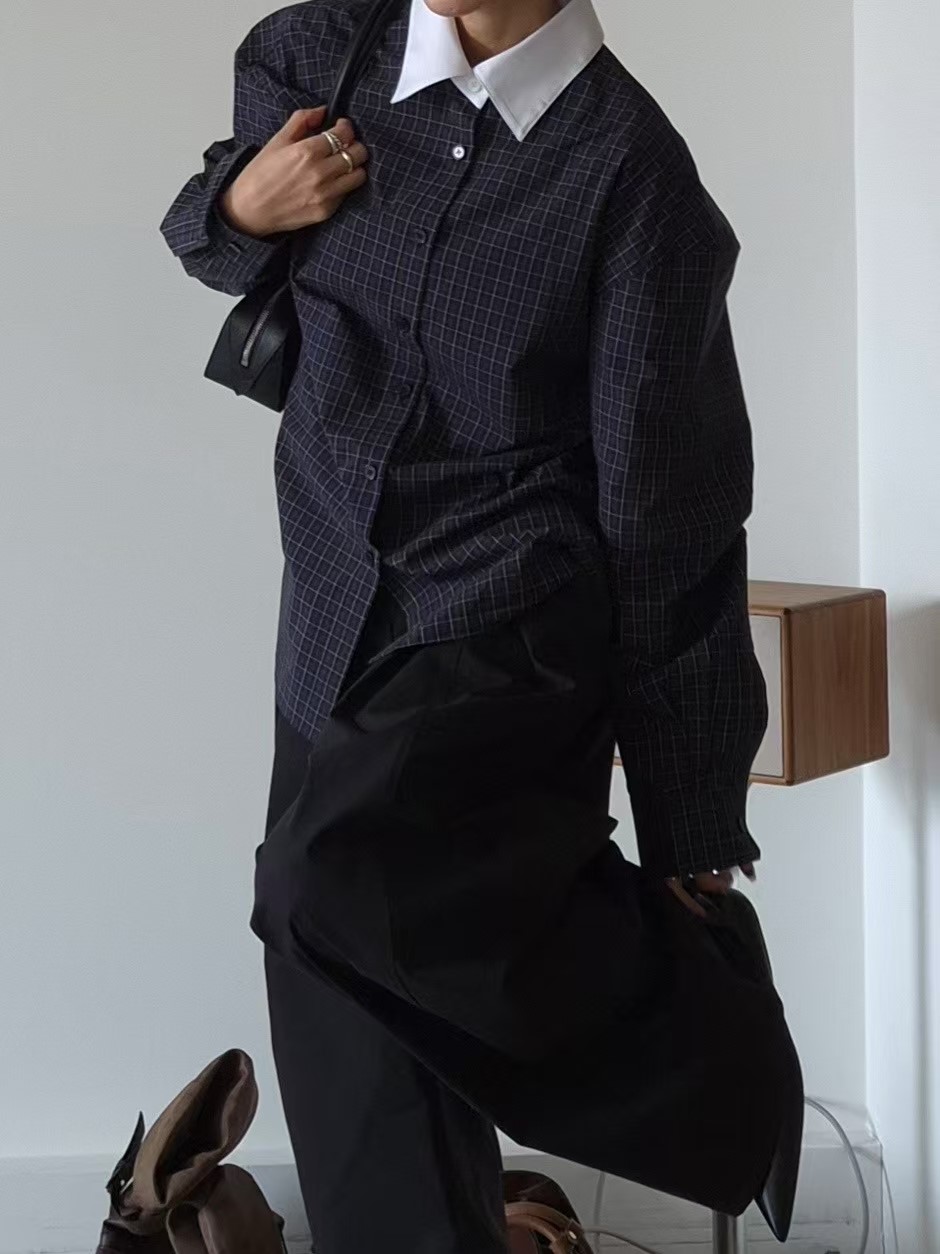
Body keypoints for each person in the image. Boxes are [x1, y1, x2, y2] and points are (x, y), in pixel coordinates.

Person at [159, 1, 802, 1251]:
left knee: (323, 884)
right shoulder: (315, 54)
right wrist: (239, 208)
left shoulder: (634, 177)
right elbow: (215, 248)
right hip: (332, 588)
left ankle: (713, 1049)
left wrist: (688, 811)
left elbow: (670, 511)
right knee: (340, 1000)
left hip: (511, 612)